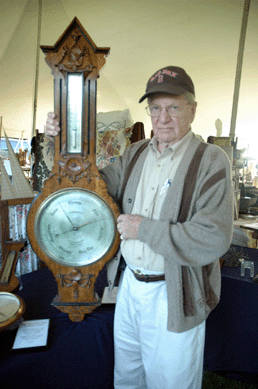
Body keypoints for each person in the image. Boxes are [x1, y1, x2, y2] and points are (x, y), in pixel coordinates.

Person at [45, 66, 233, 389]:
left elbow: (214, 238)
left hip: (175, 295)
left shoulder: (211, 161)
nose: (163, 118)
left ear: (192, 109)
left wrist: (143, 229)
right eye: (156, 108)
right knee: (128, 380)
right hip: (129, 288)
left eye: (173, 107)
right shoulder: (134, 154)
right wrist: (58, 142)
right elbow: (88, 187)